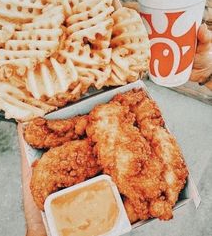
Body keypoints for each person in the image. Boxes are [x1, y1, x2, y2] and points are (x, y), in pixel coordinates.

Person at [20, 23, 212, 236]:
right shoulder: (109, 117)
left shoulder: (110, 118)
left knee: (109, 117)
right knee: (108, 117)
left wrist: (37, 228)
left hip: (116, 129)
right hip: (113, 128)